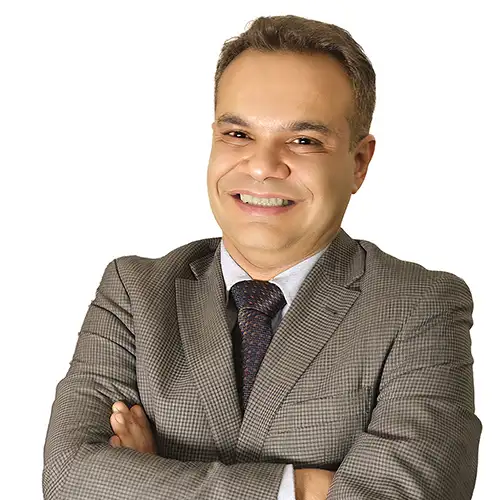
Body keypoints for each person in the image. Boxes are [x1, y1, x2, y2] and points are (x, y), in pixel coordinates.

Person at [42, 14, 482, 500]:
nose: (262, 166)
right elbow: (68, 477)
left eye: (304, 141)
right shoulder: (134, 292)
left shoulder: (420, 305)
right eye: (238, 134)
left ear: (358, 163)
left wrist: (145, 478)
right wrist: (303, 488)